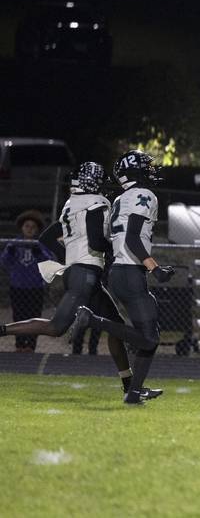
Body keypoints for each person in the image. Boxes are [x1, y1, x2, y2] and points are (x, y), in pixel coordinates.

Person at [0, 164, 152, 400]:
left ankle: (130, 386)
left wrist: (70, 260)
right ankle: (2, 330)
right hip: (85, 274)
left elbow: (47, 237)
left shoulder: (72, 204)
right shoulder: (97, 203)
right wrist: (115, 245)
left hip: (81, 271)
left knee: (115, 326)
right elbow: (95, 240)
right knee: (56, 327)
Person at [71, 151, 175, 405]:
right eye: (146, 167)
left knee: (149, 336)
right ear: (136, 171)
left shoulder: (121, 198)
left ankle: (134, 392)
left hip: (119, 270)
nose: (151, 170)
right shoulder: (145, 195)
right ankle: (94, 320)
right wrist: (155, 268)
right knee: (149, 338)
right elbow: (132, 239)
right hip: (130, 271)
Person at [0, 210, 53, 352]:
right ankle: (19, 344)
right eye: (27, 226)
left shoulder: (39, 245)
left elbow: (49, 262)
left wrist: (38, 252)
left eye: (33, 227)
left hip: (35, 287)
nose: (29, 229)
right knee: (18, 316)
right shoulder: (15, 244)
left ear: (37, 230)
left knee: (34, 316)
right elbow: (5, 263)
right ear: (22, 228)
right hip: (17, 287)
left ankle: (30, 345)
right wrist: (10, 252)